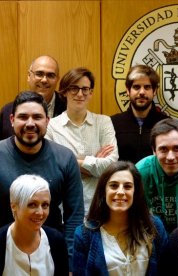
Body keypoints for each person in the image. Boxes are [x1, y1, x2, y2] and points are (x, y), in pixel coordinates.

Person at [0, 91, 84, 269]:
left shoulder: (65, 158)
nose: (30, 123)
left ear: (47, 121)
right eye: (23, 117)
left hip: (50, 253)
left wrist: (69, 263)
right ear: (12, 119)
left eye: (37, 117)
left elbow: (74, 216)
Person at [73, 161, 168, 275]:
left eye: (127, 186)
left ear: (135, 192)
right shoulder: (84, 235)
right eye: (114, 185)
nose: (120, 192)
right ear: (104, 191)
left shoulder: (154, 226)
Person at [46, 67, 118, 213]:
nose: (80, 94)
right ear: (64, 91)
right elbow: (52, 169)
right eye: (74, 88)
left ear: (91, 93)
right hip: (63, 209)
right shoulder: (51, 126)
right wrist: (94, 163)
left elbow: (111, 166)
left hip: (98, 207)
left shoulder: (103, 122)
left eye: (85, 89)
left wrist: (69, 163)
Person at [136, 118, 178, 232]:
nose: (170, 157)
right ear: (154, 150)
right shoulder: (141, 172)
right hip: (151, 239)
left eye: (177, 148)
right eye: (163, 149)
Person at [0, 175, 68, 274]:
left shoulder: (57, 241)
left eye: (45, 205)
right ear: (14, 206)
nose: (40, 212)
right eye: (32, 204)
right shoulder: (2, 241)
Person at [111, 64, 169, 164]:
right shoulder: (112, 123)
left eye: (147, 87)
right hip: (124, 179)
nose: (142, 92)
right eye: (136, 87)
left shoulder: (167, 124)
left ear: (154, 91)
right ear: (128, 90)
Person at [0, 55, 66, 140]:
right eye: (39, 74)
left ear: (57, 79)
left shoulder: (68, 109)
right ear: (28, 76)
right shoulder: (7, 112)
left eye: (50, 75)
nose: (44, 80)